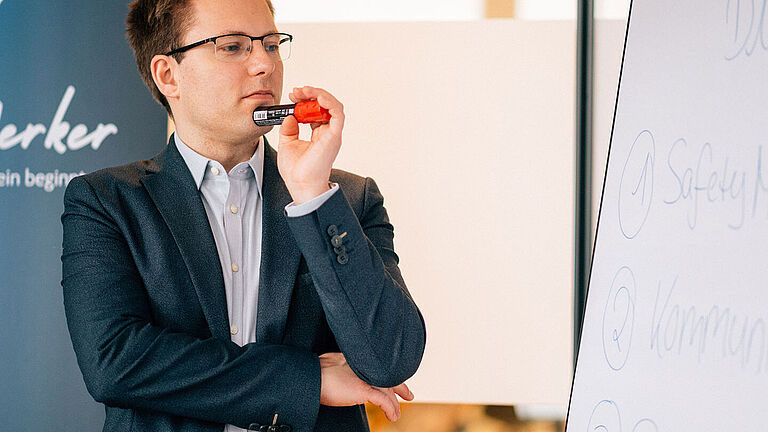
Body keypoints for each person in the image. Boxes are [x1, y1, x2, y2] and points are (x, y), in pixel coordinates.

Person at [60, 0, 426, 431]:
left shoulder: (345, 197)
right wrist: (306, 380)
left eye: (271, 44)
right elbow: (115, 363)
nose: (264, 64)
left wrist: (311, 197)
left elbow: (390, 358)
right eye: (233, 47)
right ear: (168, 75)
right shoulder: (106, 201)